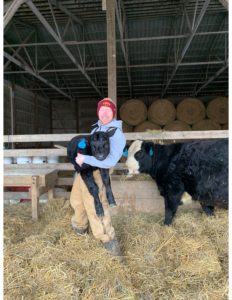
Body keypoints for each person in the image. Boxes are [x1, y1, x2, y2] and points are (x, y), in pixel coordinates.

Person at [70, 97, 126, 258]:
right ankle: (80, 227)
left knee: (96, 206)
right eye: (102, 111)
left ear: (113, 113)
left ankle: (108, 240)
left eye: (108, 111)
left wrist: (85, 159)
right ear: (98, 112)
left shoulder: (117, 135)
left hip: (98, 173)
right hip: (84, 170)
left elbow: (109, 161)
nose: (105, 114)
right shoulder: (97, 128)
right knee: (77, 200)